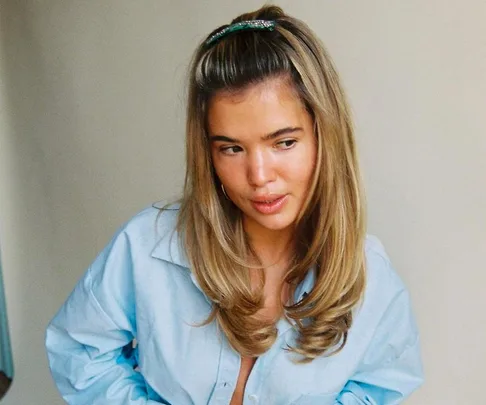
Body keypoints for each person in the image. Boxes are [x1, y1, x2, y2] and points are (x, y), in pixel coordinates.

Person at [45, 5, 424, 405]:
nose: (259, 175)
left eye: (284, 142)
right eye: (231, 148)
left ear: (324, 135)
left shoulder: (369, 274)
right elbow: (78, 351)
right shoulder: (146, 246)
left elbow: (381, 385)